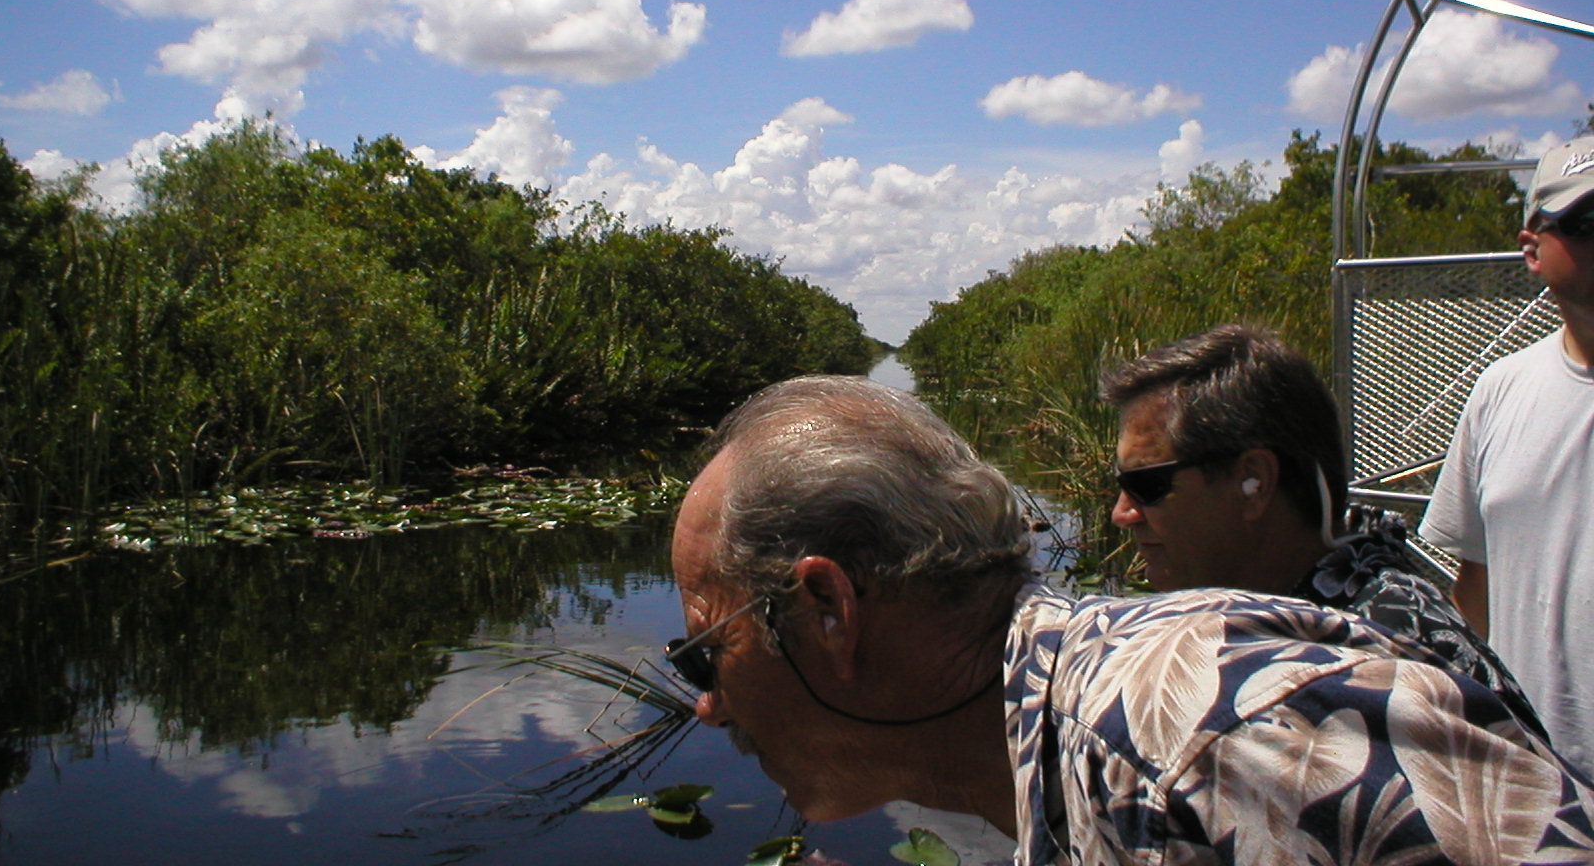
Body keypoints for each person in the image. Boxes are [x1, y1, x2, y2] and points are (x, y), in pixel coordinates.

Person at [668, 374, 1594, 865]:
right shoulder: (1054, 763)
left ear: (830, 609)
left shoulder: (1204, 724)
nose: (707, 706)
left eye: (707, 652)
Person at [1099, 323, 1540, 736]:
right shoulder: (1310, 612)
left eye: (1146, 485)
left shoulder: (1381, 667)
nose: (1123, 513)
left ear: (1254, 482)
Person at [1421, 134, 1594, 780]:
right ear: (1532, 249)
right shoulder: (1499, 390)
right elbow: (1476, 584)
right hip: (1534, 782)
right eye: (1588, 223)